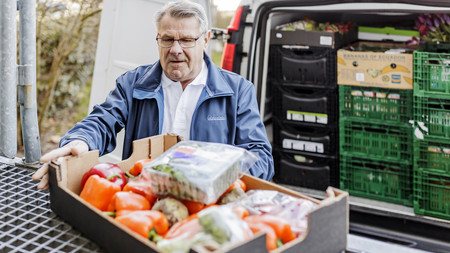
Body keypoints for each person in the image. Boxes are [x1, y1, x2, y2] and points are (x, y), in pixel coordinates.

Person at [32, 0, 274, 189]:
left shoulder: (237, 91)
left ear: (206, 40)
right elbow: (102, 120)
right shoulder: (134, 83)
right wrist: (79, 141)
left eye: (187, 40)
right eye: (167, 39)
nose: (175, 50)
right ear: (158, 39)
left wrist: (211, 175)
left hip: (208, 206)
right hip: (140, 200)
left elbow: (261, 159)